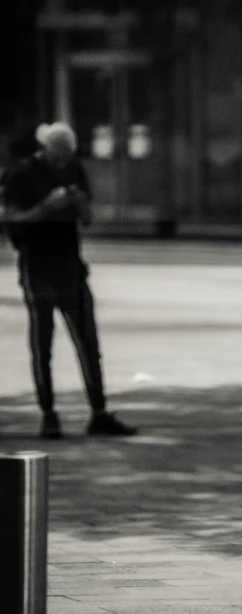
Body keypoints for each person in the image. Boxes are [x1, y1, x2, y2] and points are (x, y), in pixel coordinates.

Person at [3, 122, 137, 439]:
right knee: (42, 345)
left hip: (71, 269)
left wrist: (77, 202)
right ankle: (49, 414)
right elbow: (11, 220)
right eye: (58, 157)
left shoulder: (74, 168)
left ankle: (99, 412)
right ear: (46, 150)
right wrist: (44, 209)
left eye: (67, 157)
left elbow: (88, 217)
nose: (63, 163)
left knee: (89, 344)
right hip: (37, 270)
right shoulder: (20, 174)